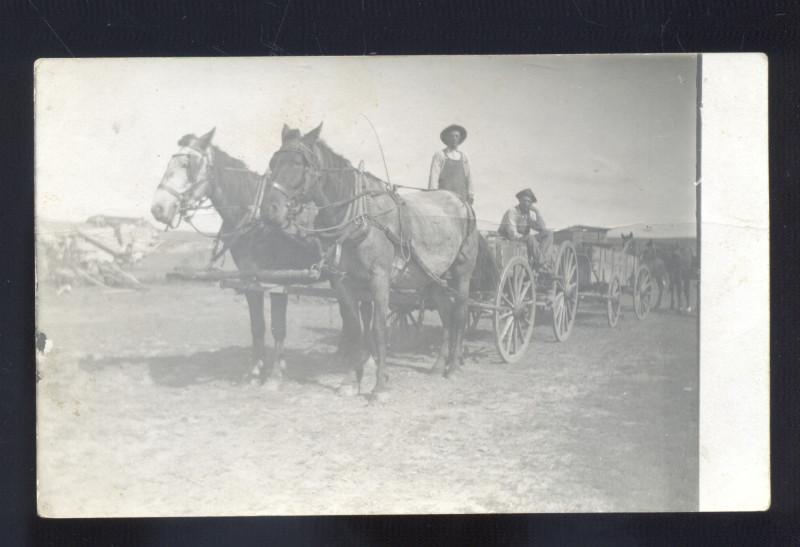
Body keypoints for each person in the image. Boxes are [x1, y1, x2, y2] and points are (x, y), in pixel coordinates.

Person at [499, 188, 553, 270]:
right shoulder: (513, 212)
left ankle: (541, 261)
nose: (526, 203)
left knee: (548, 233)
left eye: (529, 201)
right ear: (519, 200)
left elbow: (542, 228)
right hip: (509, 240)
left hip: (524, 240)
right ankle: (541, 263)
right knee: (530, 237)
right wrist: (527, 238)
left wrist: (537, 212)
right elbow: (512, 233)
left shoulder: (529, 214)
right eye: (524, 200)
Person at [428, 124, 474, 204]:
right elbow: (434, 176)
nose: (454, 139)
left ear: (460, 139)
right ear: (447, 138)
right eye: (451, 136)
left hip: (461, 199)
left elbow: (469, 177)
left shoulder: (464, 157)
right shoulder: (440, 155)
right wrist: (433, 194)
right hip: (444, 199)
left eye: (457, 136)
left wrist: (471, 194)